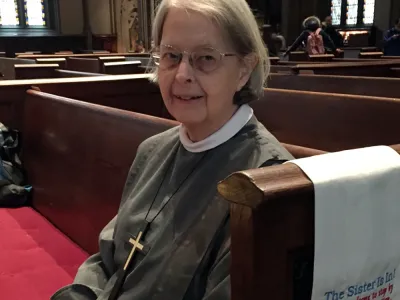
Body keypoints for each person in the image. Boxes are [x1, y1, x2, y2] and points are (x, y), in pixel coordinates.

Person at [51, 0, 293, 299]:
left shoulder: (268, 183)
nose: (182, 75)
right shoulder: (153, 150)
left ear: (244, 68)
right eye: (171, 55)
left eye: (206, 58)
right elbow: (109, 256)